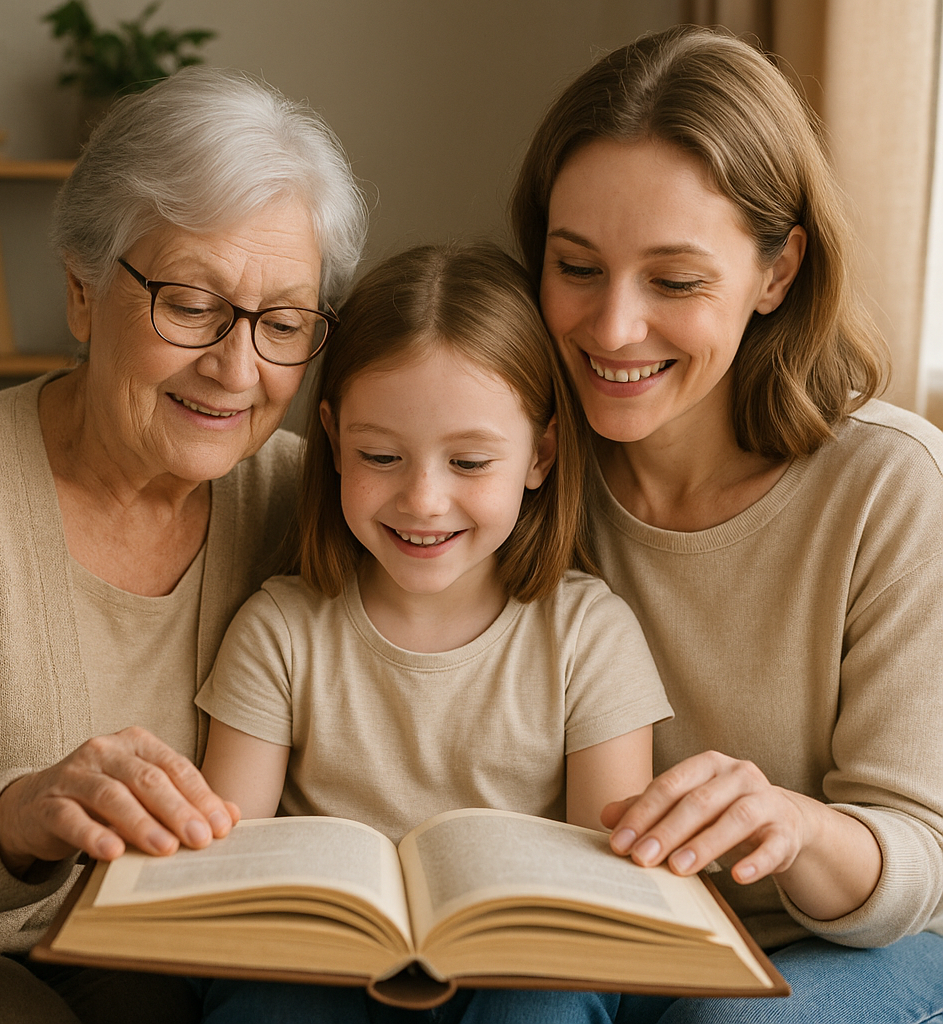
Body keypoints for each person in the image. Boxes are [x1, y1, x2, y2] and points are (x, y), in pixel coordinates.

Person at [510, 23, 943, 1023]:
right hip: (614, 933)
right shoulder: (516, 464)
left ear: (777, 272)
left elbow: (920, 861)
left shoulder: (887, 483)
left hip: (836, 947)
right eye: (576, 267)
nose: (613, 328)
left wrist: (790, 825)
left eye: (673, 281)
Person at [0, 66, 366, 1024]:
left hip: (208, 981)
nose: (236, 369)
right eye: (192, 305)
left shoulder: (313, 497)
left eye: (283, 323)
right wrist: (16, 817)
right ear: (82, 294)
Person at [192, 241, 674, 1022]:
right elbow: (230, 867)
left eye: (471, 462)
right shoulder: (280, 630)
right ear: (333, 444)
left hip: (514, 975)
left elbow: (606, 888)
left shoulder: (589, 636)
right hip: (323, 975)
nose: (422, 500)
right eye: (379, 455)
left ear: (540, 455)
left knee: (550, 999)